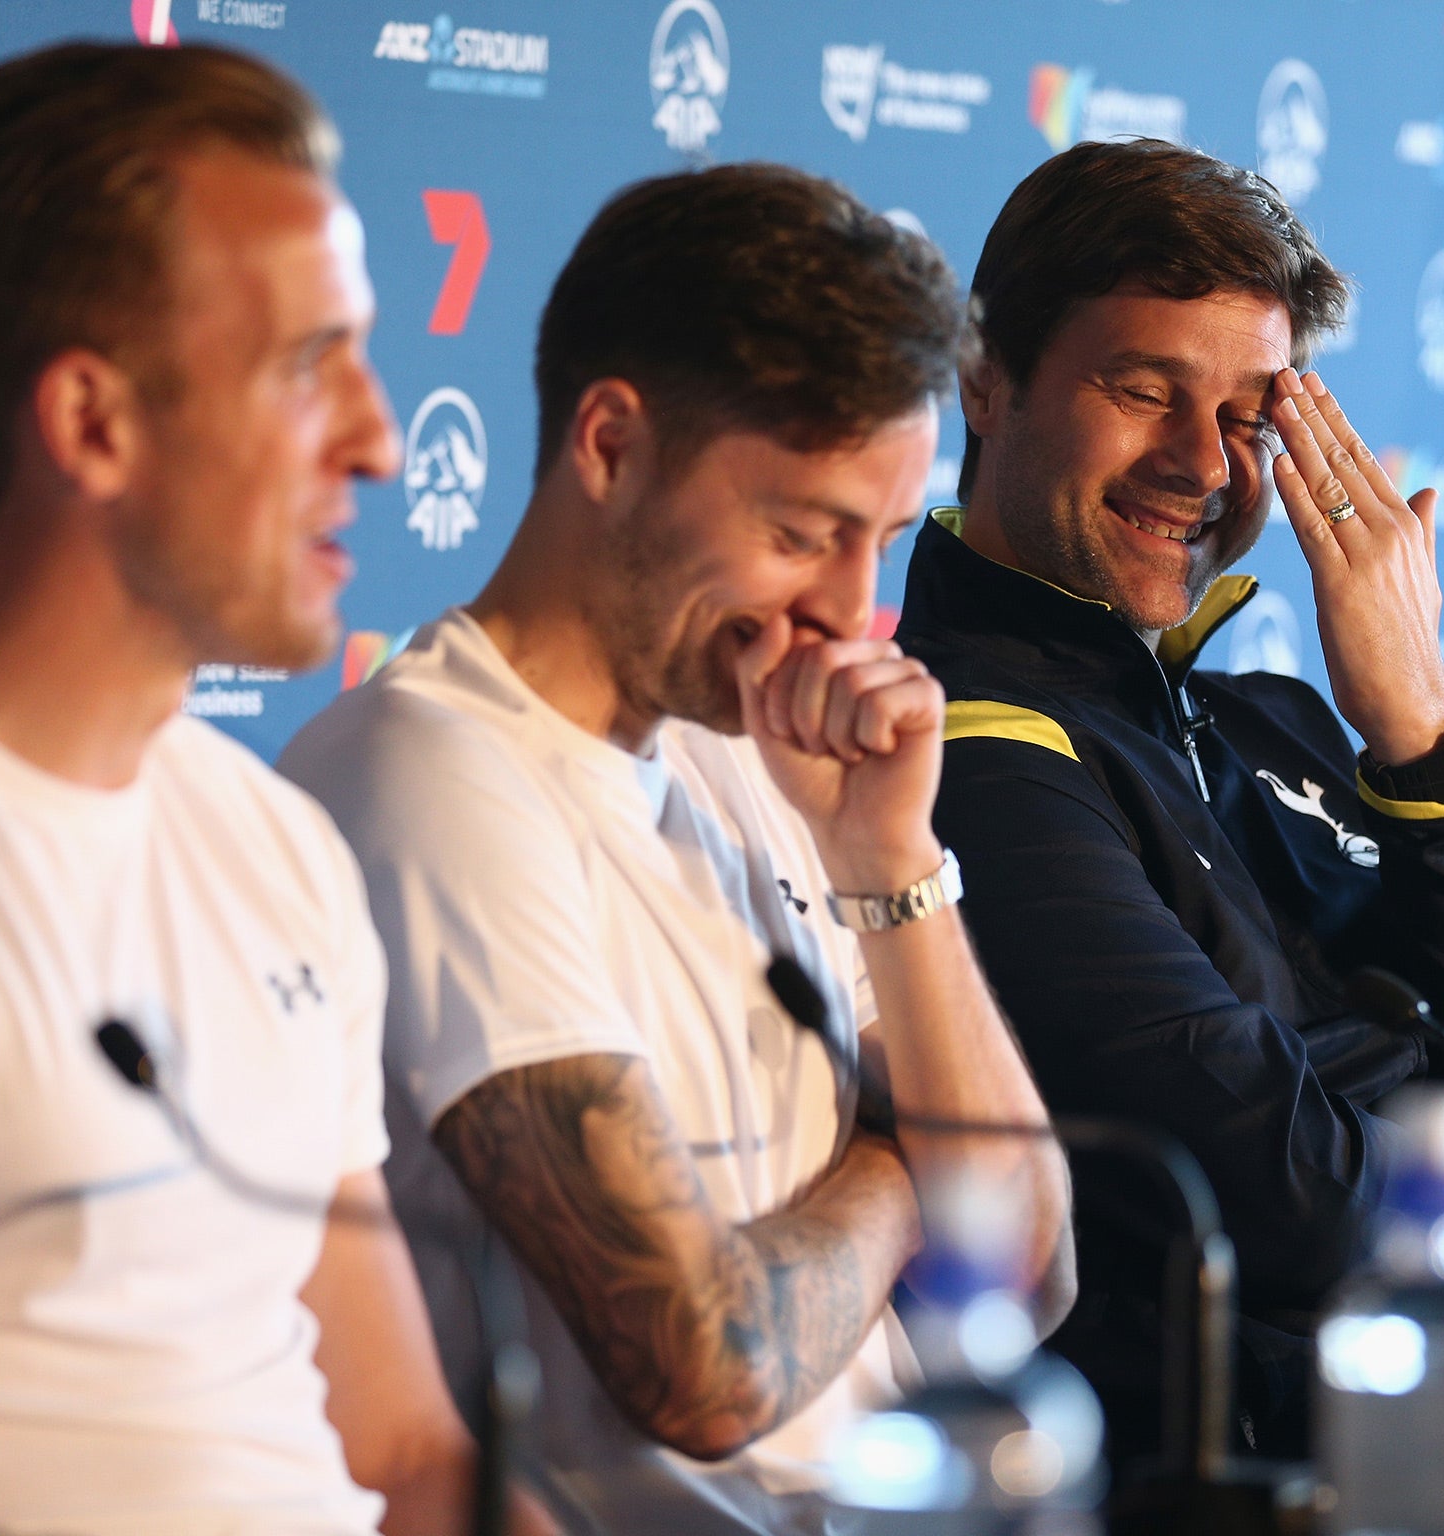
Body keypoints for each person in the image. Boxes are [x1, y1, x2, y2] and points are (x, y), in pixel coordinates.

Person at [279, 163, 1074, 1536]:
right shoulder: (432, 770)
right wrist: (902, 1172)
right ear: (608, 445)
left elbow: (1021, 1255)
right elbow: (703, 1364)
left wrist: (892, 866)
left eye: (883, 544)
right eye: (800, 536)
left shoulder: (762, 747)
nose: (848, 614)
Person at [0, 43, 552, 1536]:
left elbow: (403, 1450)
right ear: (92, 423)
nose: (383, 439)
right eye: (307, 365)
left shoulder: (270, 840)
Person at [890, 137, 1444, 1462]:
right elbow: (1295, 1208)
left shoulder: (1265, 720)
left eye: (1244, 416)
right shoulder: (945, 752)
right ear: (985, 378)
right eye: (1142, 388)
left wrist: (1418, 725)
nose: (1202, 463)